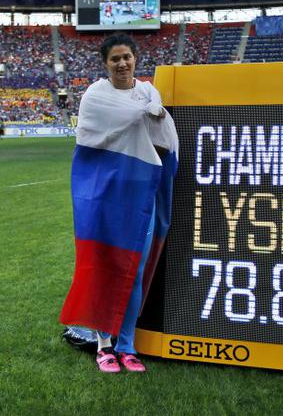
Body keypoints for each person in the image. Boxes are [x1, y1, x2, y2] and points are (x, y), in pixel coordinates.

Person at [59, 33, 178, 374]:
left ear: (135, 58)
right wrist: (144, 118)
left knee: (134, 269)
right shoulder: (96, 96)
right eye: (115, 59)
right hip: (107, 194)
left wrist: (149, 119)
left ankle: (127, 345)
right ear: (106, 64)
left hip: (142, 194)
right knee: (105, 266)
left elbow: (163, 138)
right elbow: (94, 139)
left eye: (127, 57)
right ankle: (104, 346)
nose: (122, 63)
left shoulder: (148, 93)